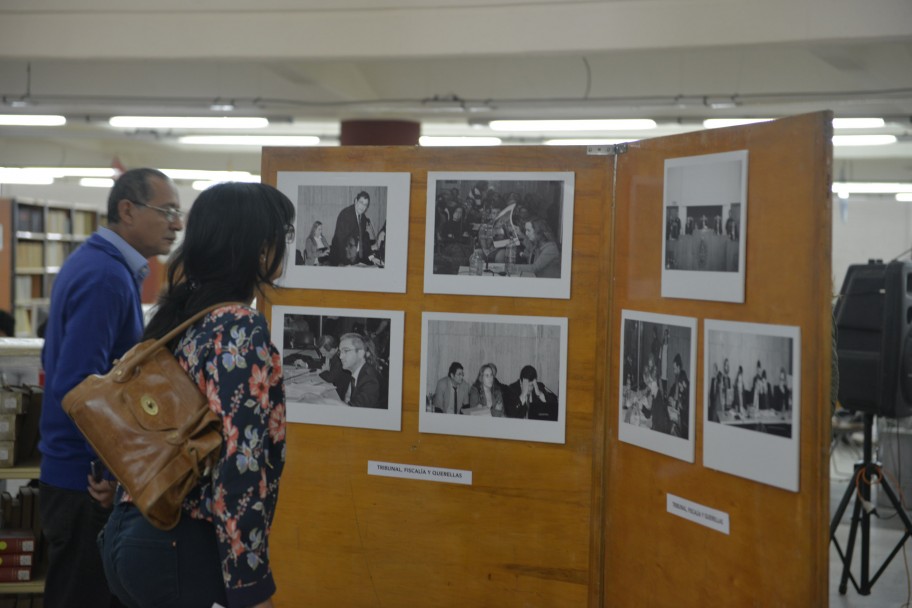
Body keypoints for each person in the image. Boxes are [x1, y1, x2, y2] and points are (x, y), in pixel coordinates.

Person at [100, 181, 294, 608]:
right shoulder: (239, 326)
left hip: (130, 533)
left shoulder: (182, 313)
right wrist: (250, 585)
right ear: (260, 249)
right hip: (181, 545)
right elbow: (240, 464)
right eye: (285, 235)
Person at [39, 168, 183, 608]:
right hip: (83, 478)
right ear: (127, 210)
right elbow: (78, 388)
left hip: (78, 472)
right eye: (169, 212)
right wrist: (111, 475)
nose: (177, 225)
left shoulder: (102, 266)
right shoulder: (105, 276)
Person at [329, 190, 380, 266]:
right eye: (361, 202)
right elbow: (341, 240)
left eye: (365, 205)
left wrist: (371, 257)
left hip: (354, 257)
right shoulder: (345, 214)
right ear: (356, 201)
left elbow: (364, 238)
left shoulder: (363, 218)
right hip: (340, 259)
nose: (363, 207)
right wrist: (346, 263)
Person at [339, 332, 383, 408]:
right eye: (340, 352)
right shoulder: (358, 372)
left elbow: (355, 410)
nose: (340, 356)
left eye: (346, 351)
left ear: (360, 353)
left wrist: (329, 403)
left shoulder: (370, 379)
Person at [317, 334, 351, 400]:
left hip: (340, 394)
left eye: (324, 353)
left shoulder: (339, 359)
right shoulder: (330, 354)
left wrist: (323, 371)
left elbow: (330, 378)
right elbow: (321, 364)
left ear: (333, 350)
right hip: (334, 388)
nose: (323, 355)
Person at [667, 353, 689, 438]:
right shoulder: (677, 378)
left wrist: (675, 403)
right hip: (676, 412)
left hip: (682, 418)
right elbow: (672, 390)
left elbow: (685, 404)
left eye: (675, 368)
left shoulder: (683, 380)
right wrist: (670, 397)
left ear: (679, 367)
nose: (673, 371)